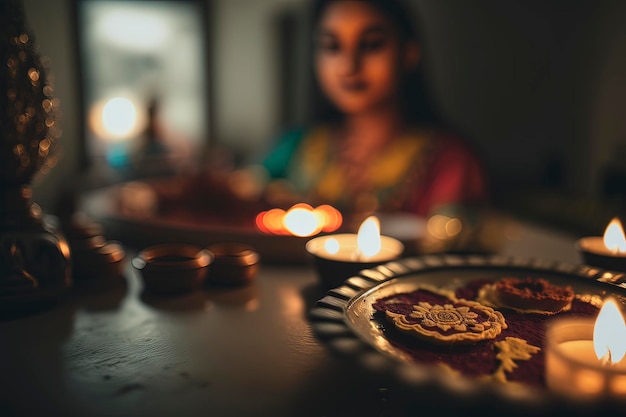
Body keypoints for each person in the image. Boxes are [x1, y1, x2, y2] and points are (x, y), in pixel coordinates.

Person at [257, 0, 490, 224]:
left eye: (371, 45)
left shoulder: (449, 161)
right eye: (332, 46)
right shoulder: (297, 146)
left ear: (409, 52)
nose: (349, 66)